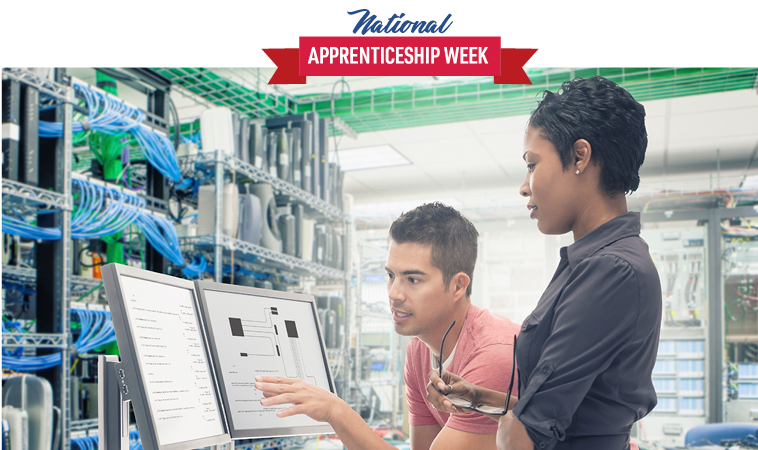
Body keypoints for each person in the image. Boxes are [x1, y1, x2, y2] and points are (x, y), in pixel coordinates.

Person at [427, 76, 662, 450]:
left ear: (580, 156)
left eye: (532, 164)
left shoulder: (611, 270)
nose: (525, 185)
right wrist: (476, 397)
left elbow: (531, 436)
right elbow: (564, 416)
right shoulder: (593, 262)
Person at [254, 202, 519, 450]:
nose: (394, 293)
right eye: (391, 275)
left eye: (412, 279)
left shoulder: (495, 355)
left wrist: (336, 411)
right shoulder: (418, 351)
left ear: (458, 285)